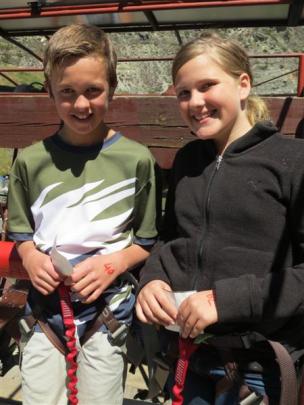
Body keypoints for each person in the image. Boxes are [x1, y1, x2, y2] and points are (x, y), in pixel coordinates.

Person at [136, 32, 304, 404]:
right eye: (184, 93)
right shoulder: (187, 161)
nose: (195, 102)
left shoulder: (293, 162)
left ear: (243, 84)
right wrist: (152, 281)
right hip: (187, 355)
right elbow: (169, 239)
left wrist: (223, 301)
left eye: (207, 86)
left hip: (259, 368)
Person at [7, 24, 157, 405]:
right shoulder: (30, 160)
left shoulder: (137, 160)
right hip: (44, 310)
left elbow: (146, 241)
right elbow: (22, 234)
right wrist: (28, 256)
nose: (81, 105)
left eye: (93, 91)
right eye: (67, 93)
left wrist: (114, 263)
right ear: (50, 93)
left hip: (107, 311)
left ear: (112, 87)